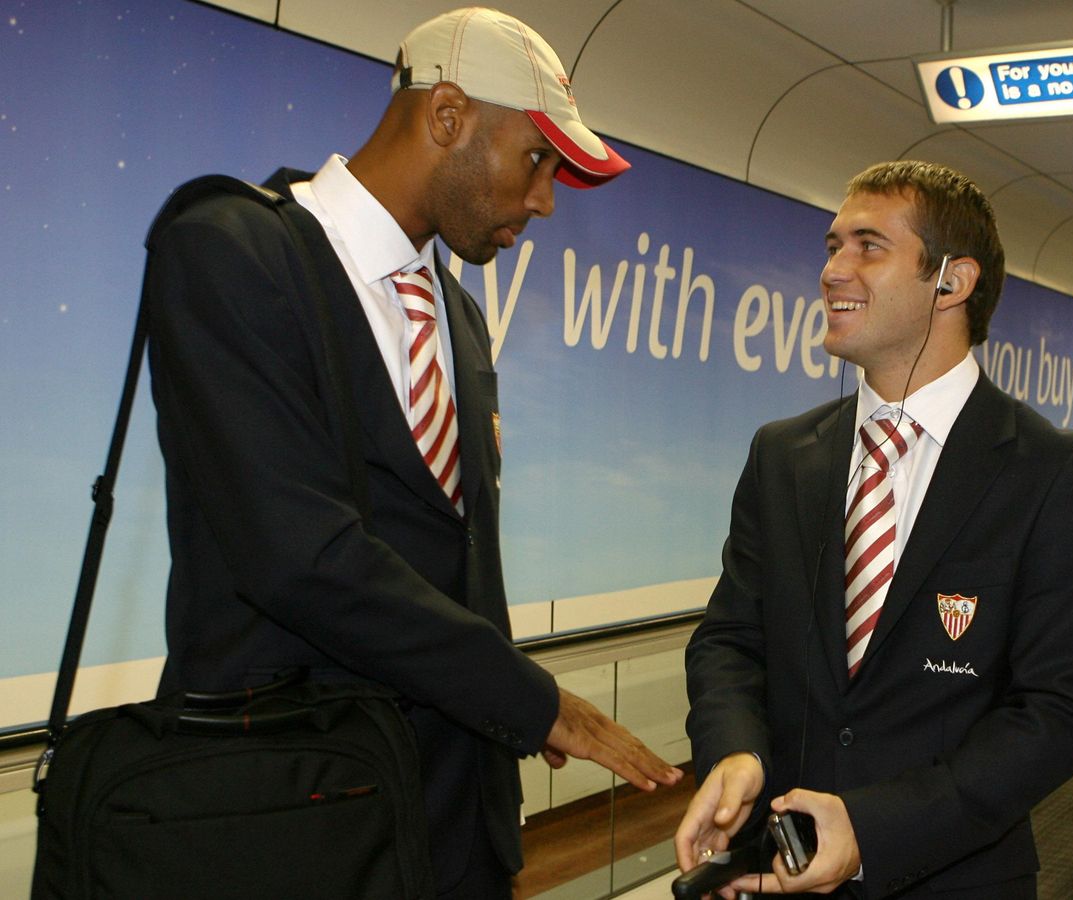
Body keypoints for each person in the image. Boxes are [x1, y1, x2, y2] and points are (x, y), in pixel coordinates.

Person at [144, 9, 680, 897]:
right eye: (536, 160)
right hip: (296, 833)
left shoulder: (459, 317)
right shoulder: (231, 252)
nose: (545, 200)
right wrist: (532, 701)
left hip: (456, 832)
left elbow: (459, 559)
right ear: (447, 116)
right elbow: (298, 555)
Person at [674, 161, 1073, 898]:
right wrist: (735, 753)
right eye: (832, 246)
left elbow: (1059, 710)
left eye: (868, 246)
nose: (832, 271)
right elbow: (730, 640)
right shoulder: (783, 455)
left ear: (952, 281)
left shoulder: (1050, 470)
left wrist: (872, 829)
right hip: (781, 869)